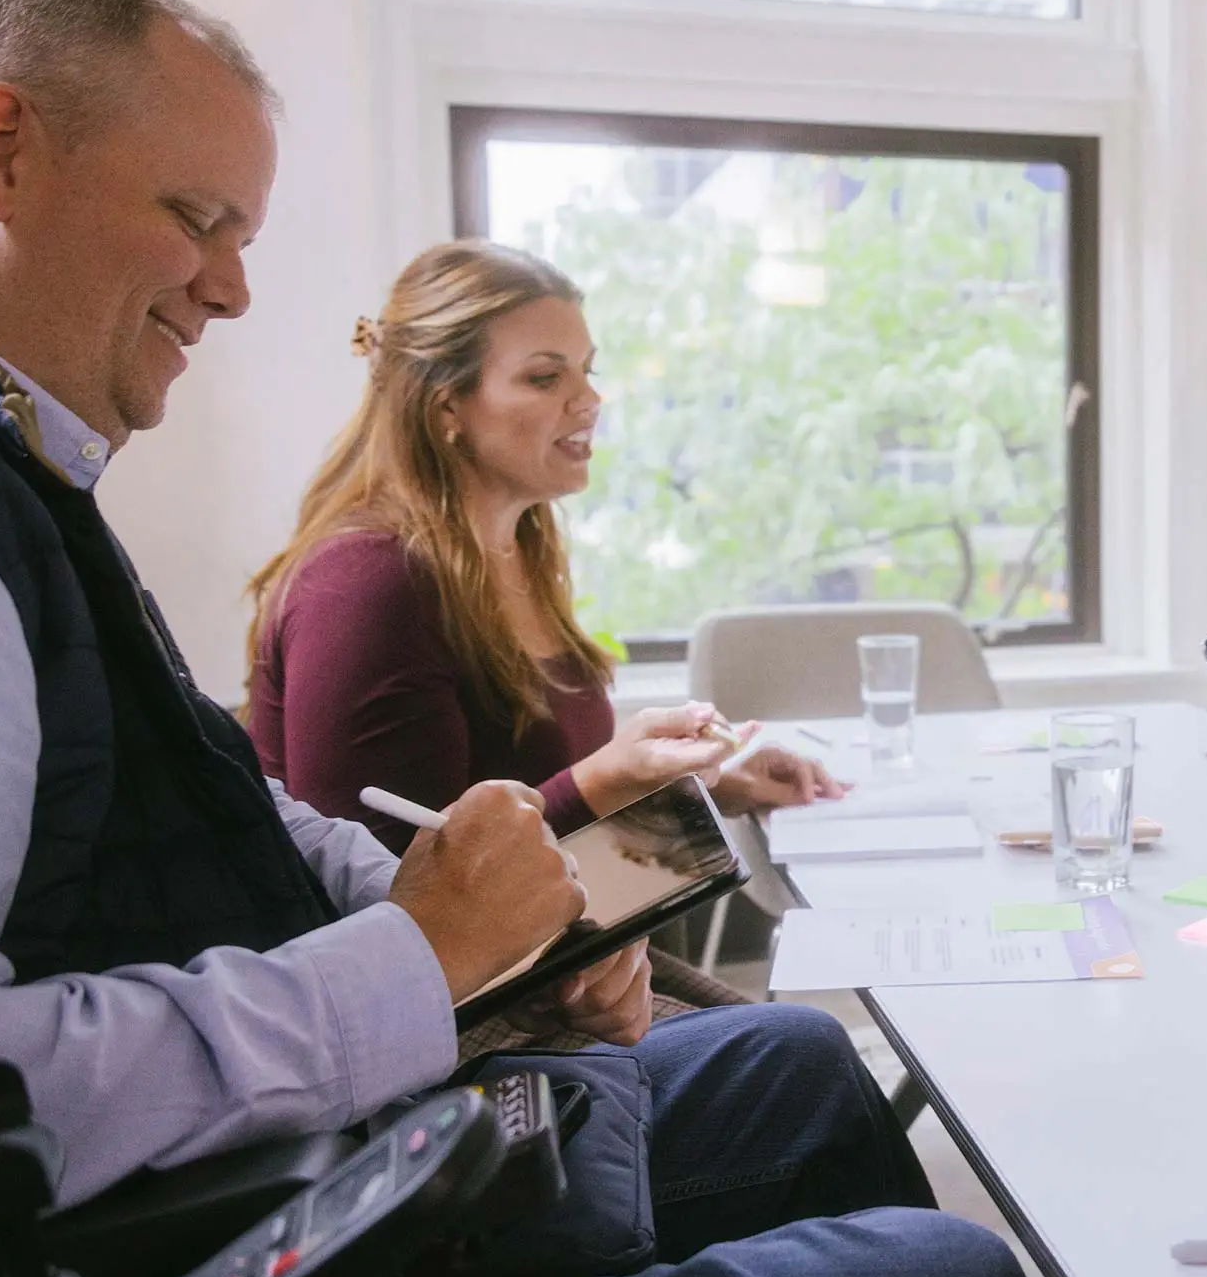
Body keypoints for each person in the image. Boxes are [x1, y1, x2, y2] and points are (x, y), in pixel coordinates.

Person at [0, 0, 1021, 1277]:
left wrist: (503, 939)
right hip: (202, 1229)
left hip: (279, 1155)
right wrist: (419, 962)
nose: (233, 288)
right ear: (0, 152)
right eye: (195, 216)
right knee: (938, 1259)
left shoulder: (2, 460)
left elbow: (244, 817)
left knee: (795, 1066)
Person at [243, 240, 845, 861]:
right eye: (545, 377)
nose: (589, 400)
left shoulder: (519, 547)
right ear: (446, 400)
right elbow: (391, 890)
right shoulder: (368, 585)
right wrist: (609, 776)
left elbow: (544, 809)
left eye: (589, 370)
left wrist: (709, 790)